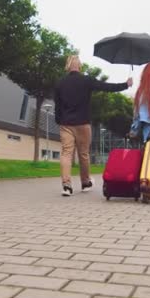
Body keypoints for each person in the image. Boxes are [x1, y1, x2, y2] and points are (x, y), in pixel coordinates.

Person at [54, 55, 133, 196]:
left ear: (67, 66)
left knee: (66, 153)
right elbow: (106, 87)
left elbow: (57, 107)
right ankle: (85, 183)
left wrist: (60, 121)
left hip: (66, 124)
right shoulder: (87, 80)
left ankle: (66, 186)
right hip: (83, 123)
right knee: (83, 154)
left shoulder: (60, 83)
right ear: (79, 66)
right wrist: (125, 84)